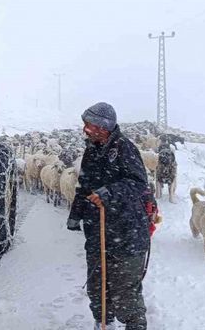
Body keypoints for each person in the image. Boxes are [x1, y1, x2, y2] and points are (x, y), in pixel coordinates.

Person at [66, 102, 150, 330]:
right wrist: (76, 213)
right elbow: (84, 184)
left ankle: (135, 325)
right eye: (85, 125)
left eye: (89, 126)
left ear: (104, 127)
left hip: (126, 232)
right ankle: (104, 323)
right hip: (98, 232)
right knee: (98, 285)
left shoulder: (124, 148)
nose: (86, 130)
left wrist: (109, 192)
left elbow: (139, 183)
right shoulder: (91, 150)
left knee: (124, 290)